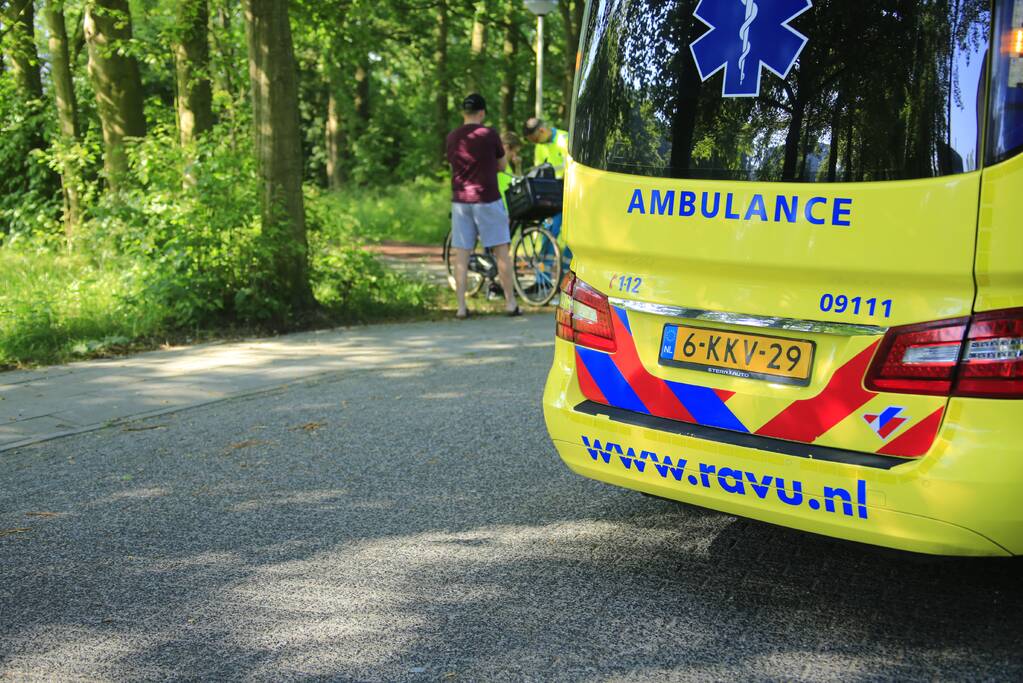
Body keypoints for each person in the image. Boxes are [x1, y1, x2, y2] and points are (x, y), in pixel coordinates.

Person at [445, 93, 520, 319]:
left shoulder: (452, 137)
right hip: (487, 198)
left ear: (463, 113)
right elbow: (502, 164)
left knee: (462, 254)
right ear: (482, 113)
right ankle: (510, 304)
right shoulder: (489, 134)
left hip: (460, 201)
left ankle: (460, 307)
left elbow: (453, 164)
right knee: (501, 252)